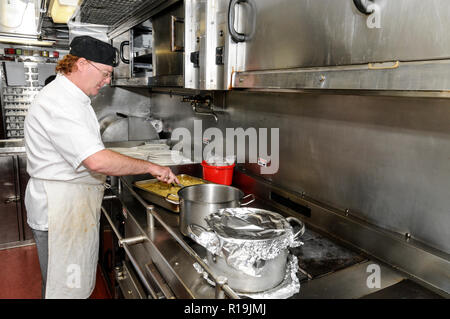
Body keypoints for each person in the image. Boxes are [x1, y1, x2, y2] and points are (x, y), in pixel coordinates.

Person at [24, 35, 179, 299]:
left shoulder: (73, 98)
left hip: (69, 206)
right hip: (60, 211)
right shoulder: (61, 102)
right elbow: (95, 159)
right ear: (82, 64)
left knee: (67, 283)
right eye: (106, 73)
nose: (107, 81)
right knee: (64, 287)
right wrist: (152, 167)